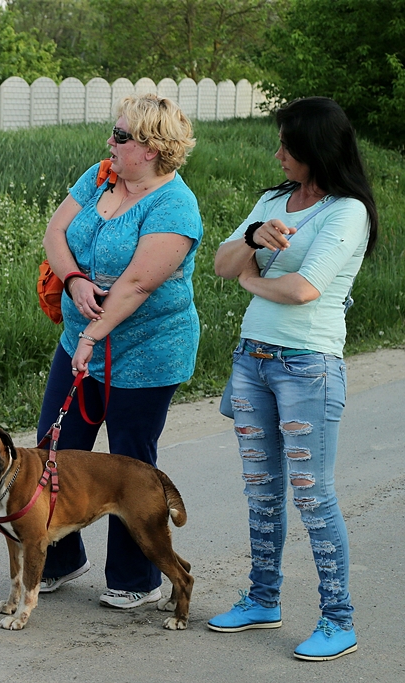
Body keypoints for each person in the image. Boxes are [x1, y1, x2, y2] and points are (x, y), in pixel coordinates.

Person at [209, 97, 376, 661]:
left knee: (312, 494)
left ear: (317, 150)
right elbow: (222, 263)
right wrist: (253, 239)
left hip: (309, 365)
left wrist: (253, 282)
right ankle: (262, 599)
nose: (278, 153)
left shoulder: (346, 211)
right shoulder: (272, 201)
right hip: (252, 359)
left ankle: (339, 619)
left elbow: (305, 288)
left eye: (288, 145)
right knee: (261, 492)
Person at [36, 94, 202, 608]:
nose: (111, 141)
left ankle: (136, 580)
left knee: (129, 464)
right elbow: (55, 231)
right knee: (55, 451)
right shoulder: (103, 174)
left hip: (148, 351)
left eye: (123, 136)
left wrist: (92, 335)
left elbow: (134, 287)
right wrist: (73, 278)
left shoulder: (175, 205)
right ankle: (60, 559)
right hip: (81, 341)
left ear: (152, 149)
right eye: (114, 132)